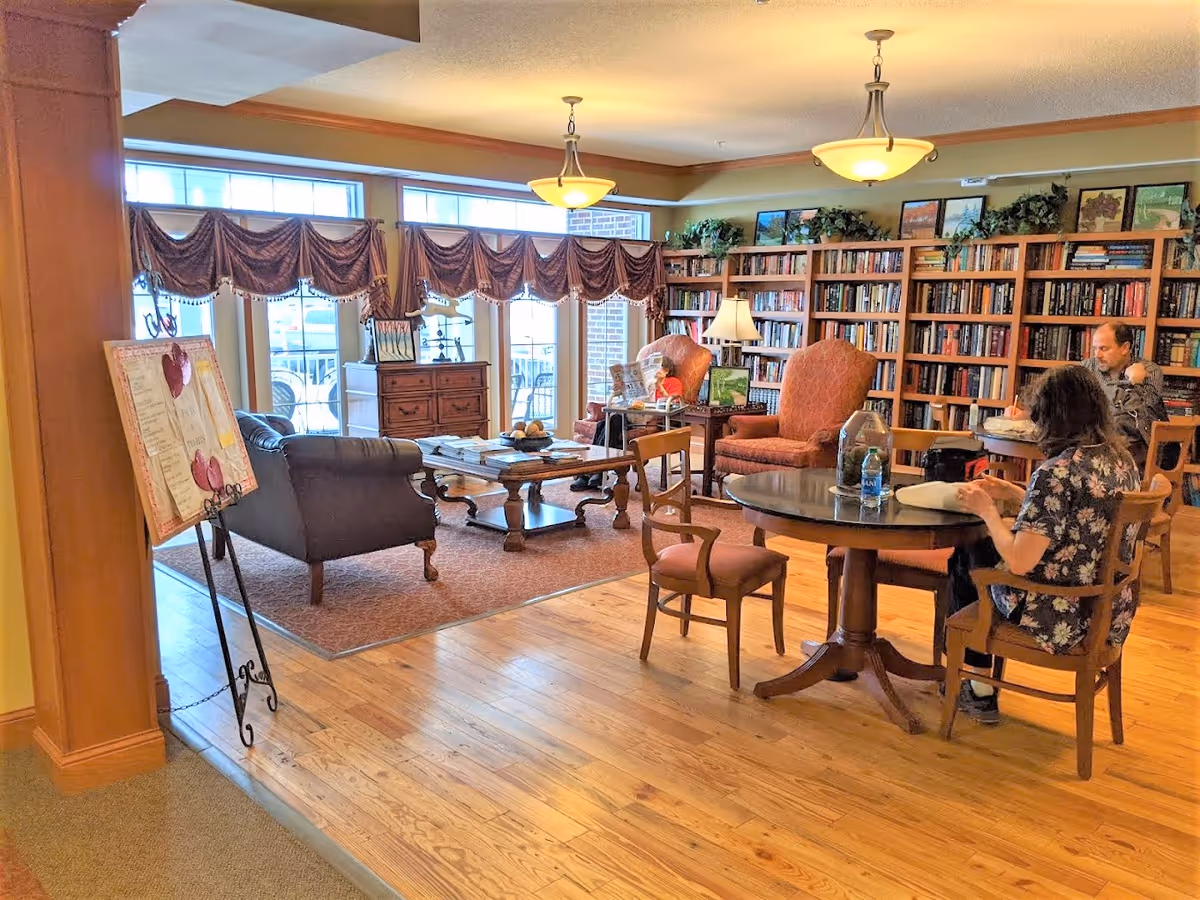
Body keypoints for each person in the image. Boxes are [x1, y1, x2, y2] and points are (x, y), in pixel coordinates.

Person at [948, 365, 1142, 725]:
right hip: (1106, 606)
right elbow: (1079, 515)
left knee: (972, 548)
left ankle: (978, 686)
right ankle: (974, 679)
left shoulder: (1057, 472)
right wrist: (1013, 493)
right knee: (990, 540)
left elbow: (1021, 561)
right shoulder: (1120, 459)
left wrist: (987, 511)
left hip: (1058, 612)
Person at [570, 358, 684, 491]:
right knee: (608, 422)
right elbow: (632, 398)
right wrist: (621, 388)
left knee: (606, 425)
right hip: (632, 413)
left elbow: (674, 404)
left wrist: (660, 386)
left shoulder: (674, 382)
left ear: (666, 370)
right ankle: (596, 472)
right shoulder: (646, 381)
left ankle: (592, 472)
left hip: (649, 419)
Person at [1081, 320, 1167, 469]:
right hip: (1099, 442)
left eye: (1104, 348)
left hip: (1143, 448)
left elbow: (1144, 411)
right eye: (1095, 349)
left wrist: (1135, 383)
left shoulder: (1150, 371)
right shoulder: (1088, 368)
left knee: (1121, 423)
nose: (1097, 355)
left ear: (1125, 348)